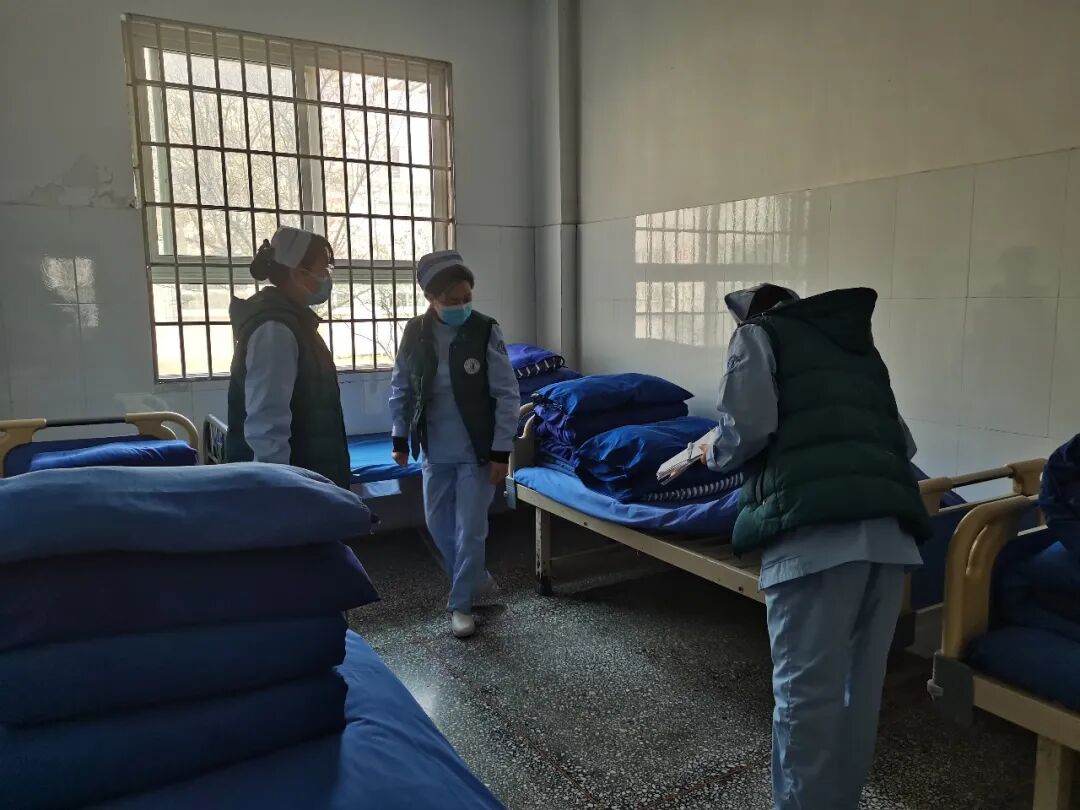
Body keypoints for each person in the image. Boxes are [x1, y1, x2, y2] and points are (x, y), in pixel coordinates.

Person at [703, 283, 930, 810]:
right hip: (890, 535)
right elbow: (903, 442)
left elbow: (745, 431)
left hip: (817, 538)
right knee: (858, 696)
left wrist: (706, 451)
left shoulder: (757, 336)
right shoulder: (858, 348)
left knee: (805, 701)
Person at [388, 250, 520, 639]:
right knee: (437, 524)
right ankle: (476, 581)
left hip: (477, 451)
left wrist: (501, 451)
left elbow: (507, 394)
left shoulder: (485, 330)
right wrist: (399, 436)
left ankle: (461, 605)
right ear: (431, 297)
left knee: (472, 530)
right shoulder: (415, 332)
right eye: (451, 300)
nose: (461, 306)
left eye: (467, 298)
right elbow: (401, 386)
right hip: (435, 447)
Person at [225, 226, 350, 488]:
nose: (326, 278)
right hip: (291, 484)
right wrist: (278, 492)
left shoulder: (296, 322)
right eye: (322, 270)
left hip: (308, 476)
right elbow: (266, 426)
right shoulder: (275, 330)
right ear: (297, 273)